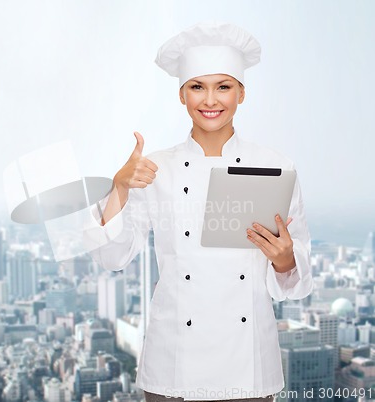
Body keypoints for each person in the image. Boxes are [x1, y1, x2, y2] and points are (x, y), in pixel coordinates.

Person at [84, 22, 313, 402]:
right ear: (181, 95)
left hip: (249, 370)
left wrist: (286, 260)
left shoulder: (276, 166)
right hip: (174, 366)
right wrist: (120, 186)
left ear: (241, 93)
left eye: (223, 86)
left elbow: (299, 278)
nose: (210, 100)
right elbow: (112, 256)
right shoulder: (155, 168)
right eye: (197, 87)